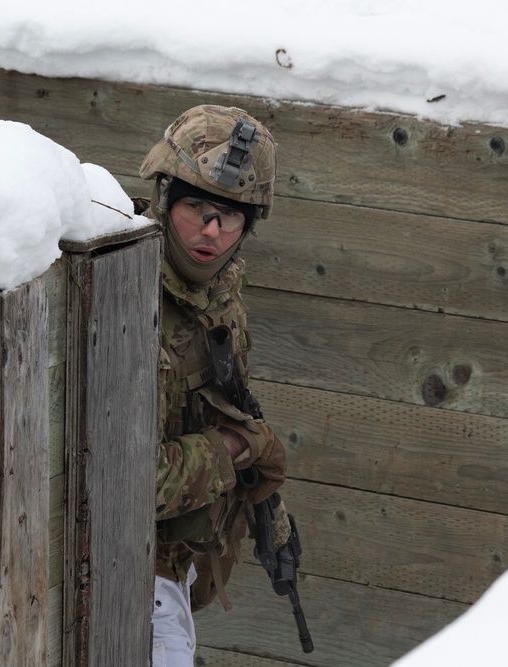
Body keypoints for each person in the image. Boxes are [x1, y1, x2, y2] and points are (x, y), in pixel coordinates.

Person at [137, 104, 289, 666]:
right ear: (165, 197)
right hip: (126, 572)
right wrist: (238, 446)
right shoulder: (129, 293)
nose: (211, 231)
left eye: (230, 217)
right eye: (196, 207)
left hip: (179, 563)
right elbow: (131, 482)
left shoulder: (218, 289)